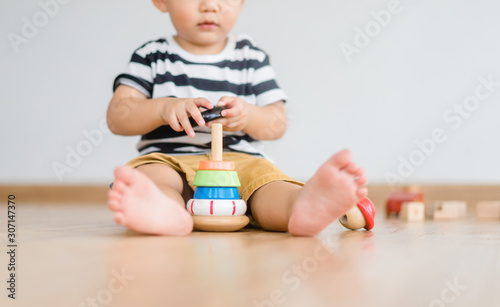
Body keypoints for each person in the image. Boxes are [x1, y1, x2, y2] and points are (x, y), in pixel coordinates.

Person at [106, 0, 367, 236]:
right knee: (155, 178)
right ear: (161, 2)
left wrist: (249, 117)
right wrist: (162, 108)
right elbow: (118, 117)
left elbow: (277, 123)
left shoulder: (251, 58)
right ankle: (165, 212)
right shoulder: (151, 56)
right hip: (170, 159)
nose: (210, 5)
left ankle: (300, 205)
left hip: (240, 161)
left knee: (266, 186)